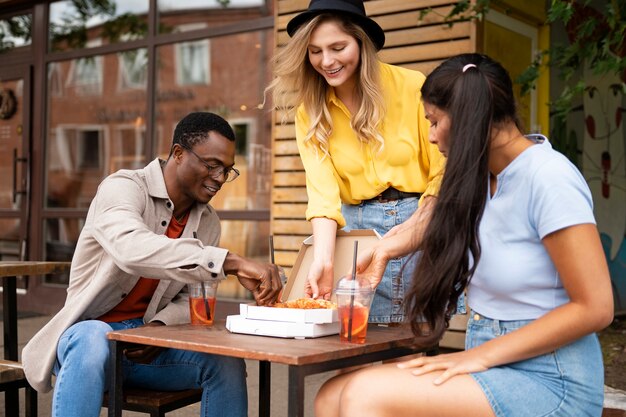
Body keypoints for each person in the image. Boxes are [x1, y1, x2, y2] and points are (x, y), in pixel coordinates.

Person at [314, 53, 614, 417]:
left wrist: (478, 356)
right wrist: (382, 252)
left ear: (468, 118)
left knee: (366, 392)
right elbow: (430, 221)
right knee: (332, 394)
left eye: (435, 121)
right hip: (494, 367)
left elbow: (596, 307)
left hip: (552, 379)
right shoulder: (481, 179)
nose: (430, 135)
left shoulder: (548, 177)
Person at [22, 112, 283, 417]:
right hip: (88, 345)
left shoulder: (208, 221)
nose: (220, 179)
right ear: (178, 153)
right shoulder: (122, 188)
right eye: (212, 166)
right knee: (93, 336)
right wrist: (231, 261)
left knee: (225, 361)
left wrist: (158, 329)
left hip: (148, 347)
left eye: (227, 170)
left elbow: (193, 297)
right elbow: (131, 249)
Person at [266, 0, 445, 324]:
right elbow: (322, 193)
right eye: (315, 51)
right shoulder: (310, 111)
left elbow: (442, 170)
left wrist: (419, 227)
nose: (327, 61)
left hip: (416, 225)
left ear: (361, 42)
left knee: (411, 346)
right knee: (353, 343)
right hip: (355, 234)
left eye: (338, 47)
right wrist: (323, 258)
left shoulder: (412, 86)